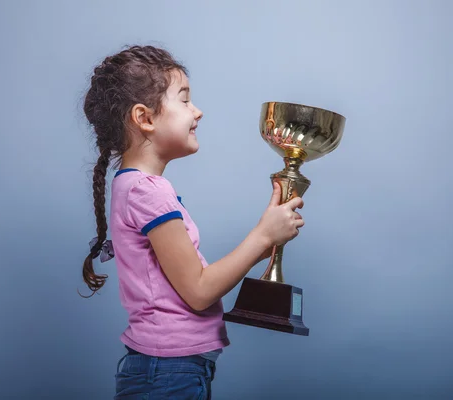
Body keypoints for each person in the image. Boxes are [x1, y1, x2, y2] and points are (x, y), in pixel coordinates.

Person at [80, 45, 305, 399]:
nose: (197, 111)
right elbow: (198, 292)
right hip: (169, 373)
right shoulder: (147, 192)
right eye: (184, 100)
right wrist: (262, 237)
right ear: (145, 118)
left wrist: (266, 244)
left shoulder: (135, 186)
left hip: (171, 369)